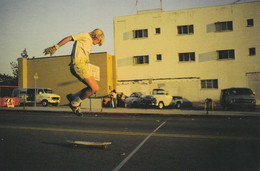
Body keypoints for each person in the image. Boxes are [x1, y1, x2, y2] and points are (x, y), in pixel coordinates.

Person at [43, 29, 105, 116]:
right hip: (78, 64)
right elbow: (69, 38)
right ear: (97, 36)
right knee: (94, 88)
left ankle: (73, 97)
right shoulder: (85, 35)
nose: (98, 43)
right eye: (99, 41)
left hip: (82, 65)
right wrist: (55, 47)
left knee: (93, 88)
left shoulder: (89, 42)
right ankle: (75, 103)